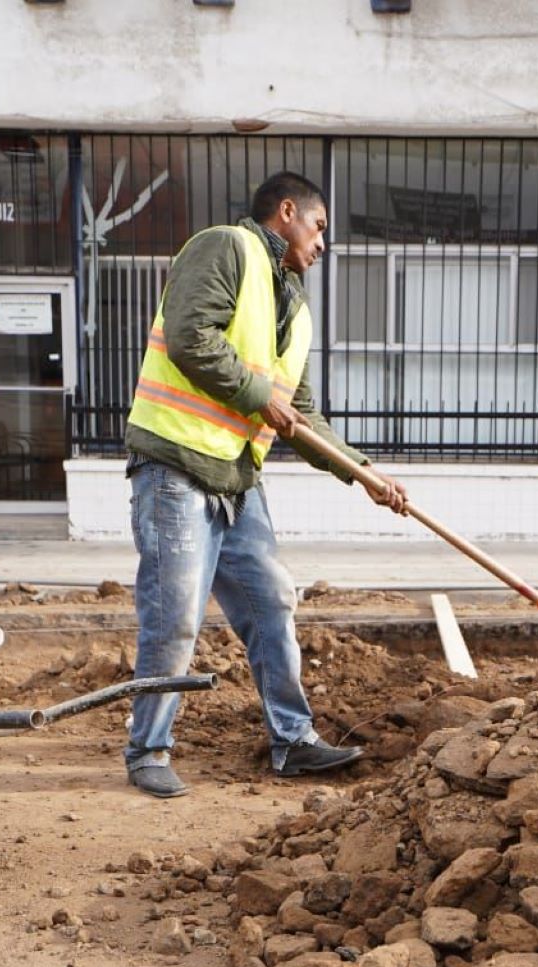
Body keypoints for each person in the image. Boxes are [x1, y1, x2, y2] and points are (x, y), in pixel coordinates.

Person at [123, 171, 410, 798]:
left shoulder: (295, 306)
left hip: (237, 478)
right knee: (173, 619)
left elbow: (300, 416)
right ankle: (147, 749)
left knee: (272, 601)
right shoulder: (225, 247)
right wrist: (260, 400)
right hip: (176, 466)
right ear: (287, 212)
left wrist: (362, 474)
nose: (324, 243)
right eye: (320, 226)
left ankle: (293, 740)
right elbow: (189, 336)